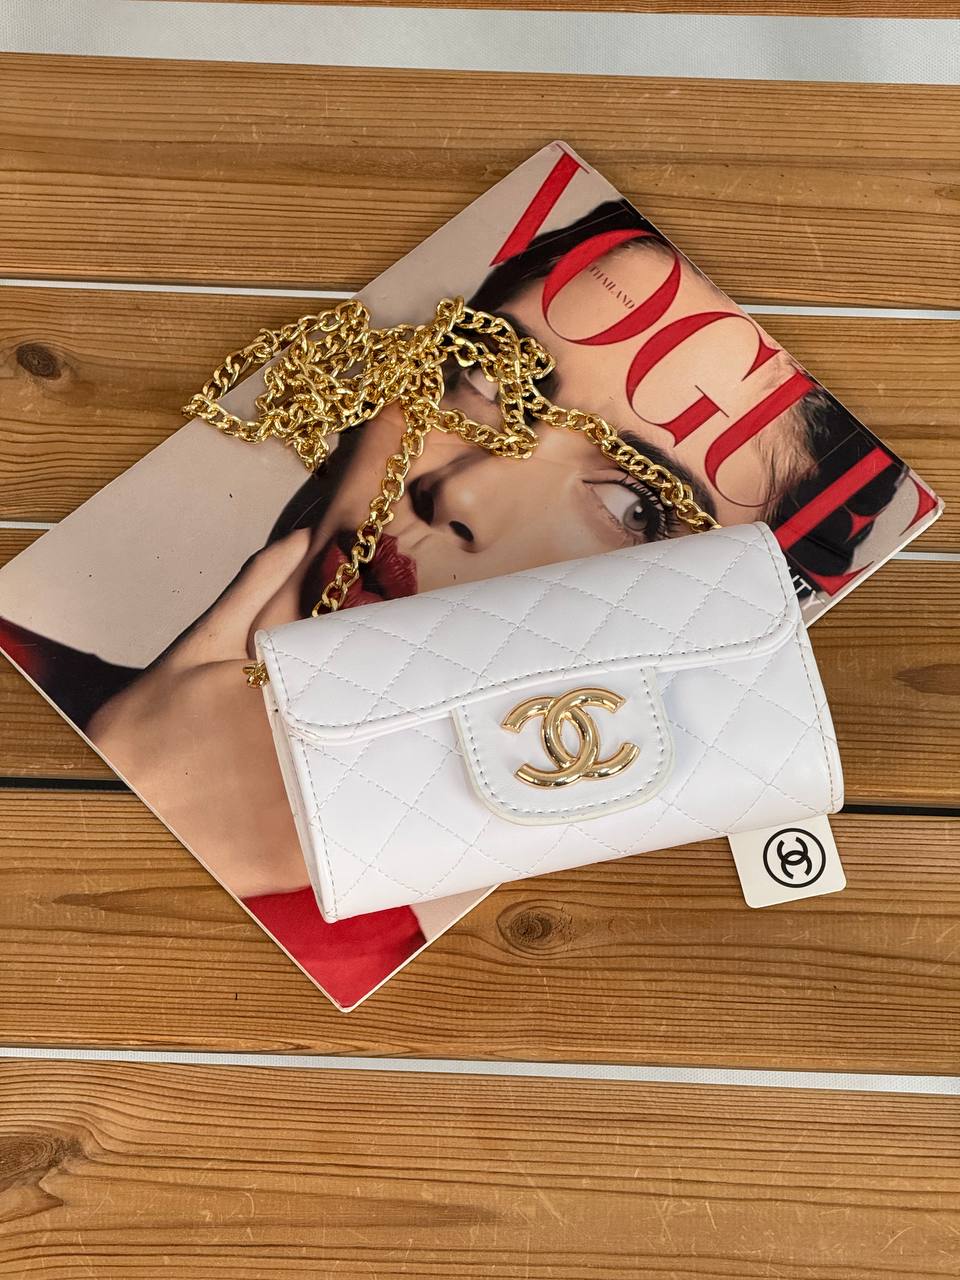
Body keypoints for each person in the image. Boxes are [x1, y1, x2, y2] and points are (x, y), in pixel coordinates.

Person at [0, 200, 902, 1001]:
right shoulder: (22, 665)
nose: (458, 492)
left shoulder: (480, 987)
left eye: (636, 507)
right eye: (490, 378)